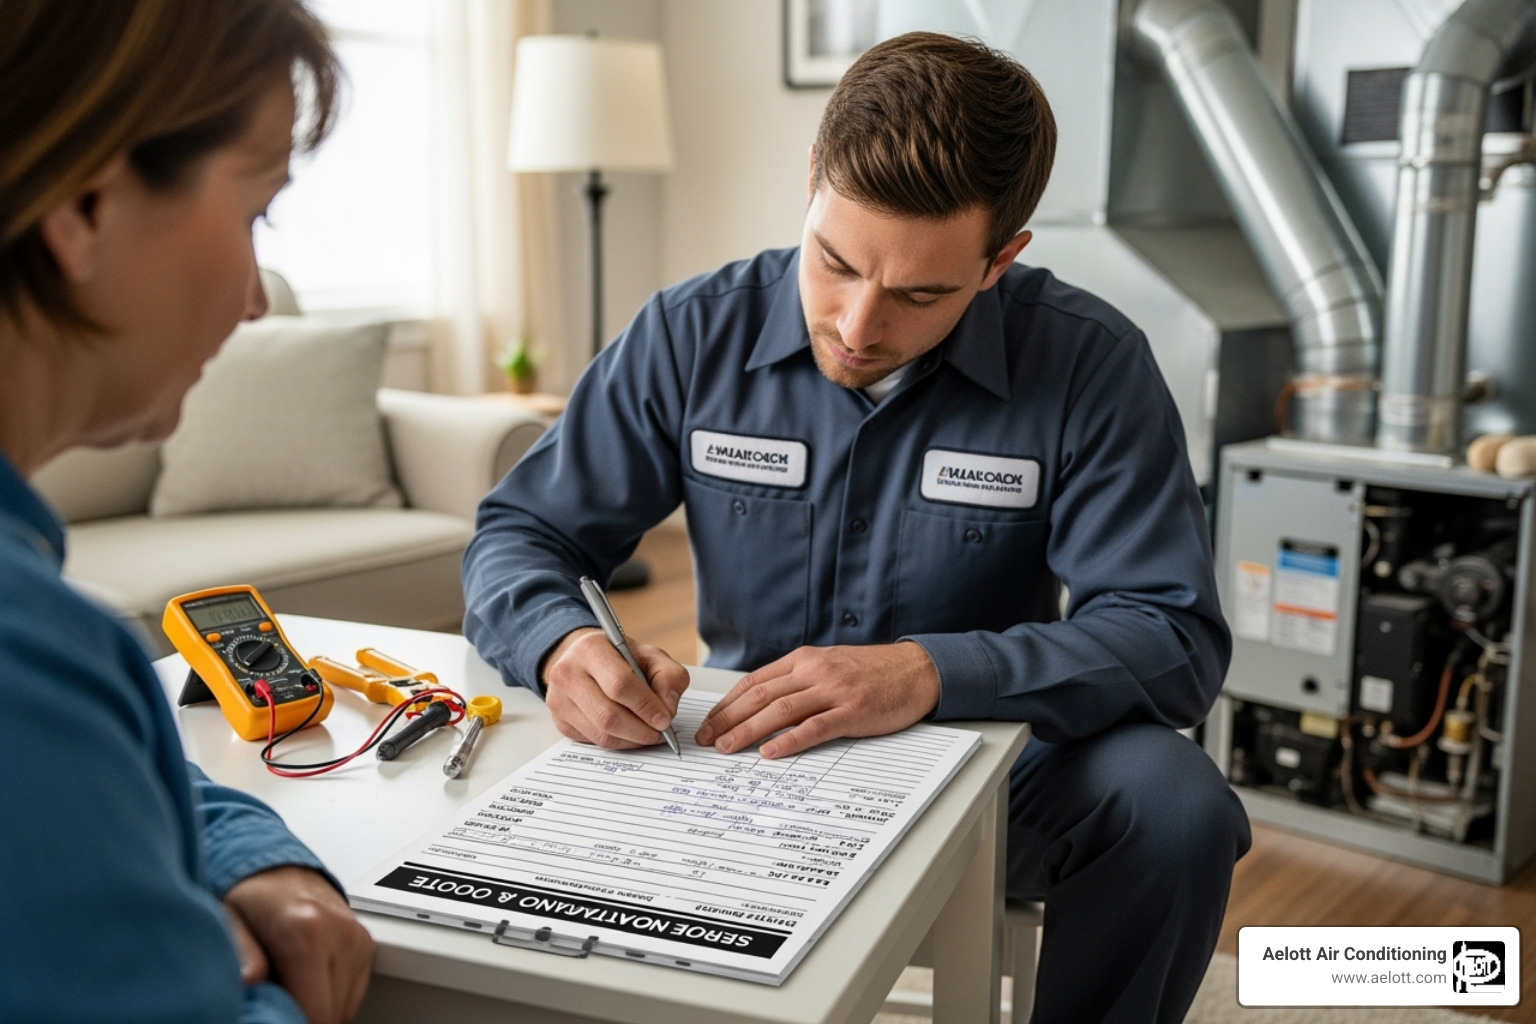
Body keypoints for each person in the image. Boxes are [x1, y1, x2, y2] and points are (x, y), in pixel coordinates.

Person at [463, 31, 1252, 1024]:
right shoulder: (689, 332)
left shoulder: (1092, 365)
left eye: (920, 292)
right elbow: (520, 536)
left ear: (1001, 260)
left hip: (994, 765)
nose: (856, 324)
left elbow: (1170, 635)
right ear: (812, 179)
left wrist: (926, 671)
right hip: (735, 755)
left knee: (1177, 808)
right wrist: (562, 644)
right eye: (834, 261)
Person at [0, 3, 374, 1022]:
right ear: (85, 205)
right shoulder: (30, 660)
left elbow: (99, 787)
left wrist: (246, 851)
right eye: (256, 212)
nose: (257, 298)